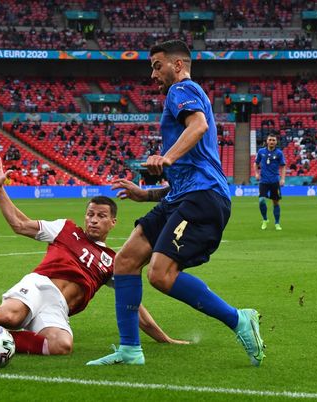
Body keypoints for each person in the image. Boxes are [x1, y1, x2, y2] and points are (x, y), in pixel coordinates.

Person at [0, 155, 184, 355]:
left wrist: (164, 338)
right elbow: (19, 224)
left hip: (58, 310)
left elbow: (133, 306)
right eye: (90, 214)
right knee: (10, 316)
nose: (93, 220)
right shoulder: (66, 229)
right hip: (39, 286)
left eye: (101, 216)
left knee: (62, 345)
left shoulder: (114, 261)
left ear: (112, 222)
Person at [87, 40, 265, 367]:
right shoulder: (181, 95)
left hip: (202, 197)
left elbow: (199, 126)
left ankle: (239, 319)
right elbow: (186, 167)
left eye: (157, 66)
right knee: (125, 261)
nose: (152, 74)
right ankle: (130, 350)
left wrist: (166, 157)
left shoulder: (181, 90)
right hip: (181, 196)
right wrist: (148, 194)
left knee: (160, 274)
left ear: (177, 65)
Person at [253, 133, 285, 230]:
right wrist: (256, 173)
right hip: (263, 181)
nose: (271, 142)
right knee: (261, 200)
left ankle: (277, 223)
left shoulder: (279, 153)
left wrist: (283, 179)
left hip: (275, 181)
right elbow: (255, 163)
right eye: (270, 140)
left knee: (275, 202)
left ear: (276, 142)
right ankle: (265, 219)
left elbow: (283, 166)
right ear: (267, 141)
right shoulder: (261, 152)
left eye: (273, 140)